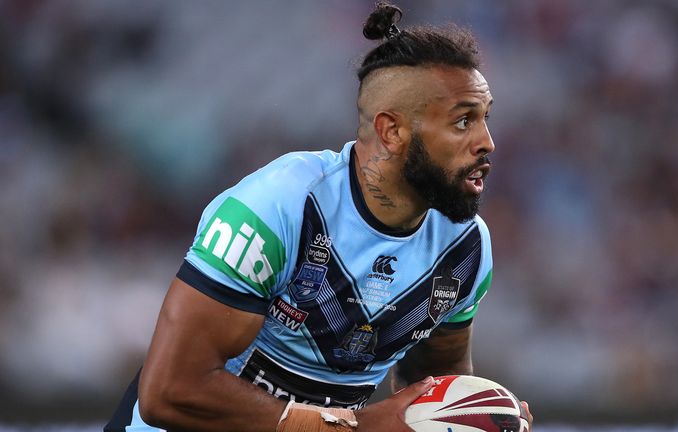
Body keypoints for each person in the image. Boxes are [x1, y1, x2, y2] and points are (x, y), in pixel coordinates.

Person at [105, 2, 532, 431]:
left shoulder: (465, 247)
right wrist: (354, 428)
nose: (487, 142)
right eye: (463, 122)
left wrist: (482, 416)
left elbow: (431, 393)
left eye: (485, 118)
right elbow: (169, 392)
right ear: (392, 131)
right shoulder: (278, 207)